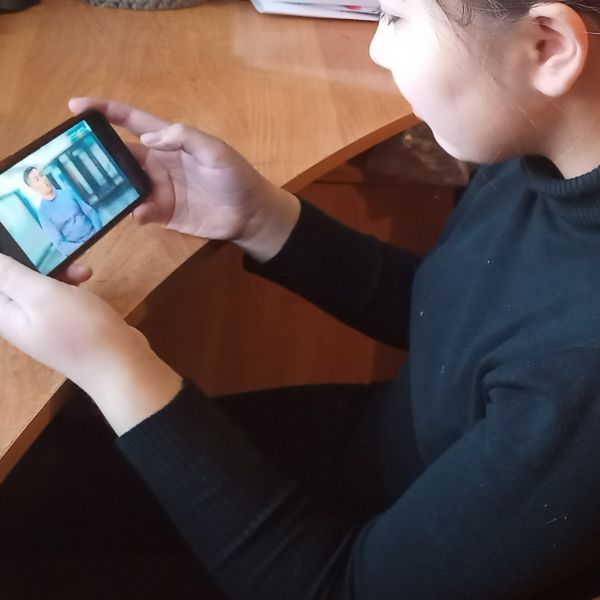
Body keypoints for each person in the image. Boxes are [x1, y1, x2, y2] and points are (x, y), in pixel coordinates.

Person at [1, 0, 600, 597]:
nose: (377, 48)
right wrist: (260, 218)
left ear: (547, 45)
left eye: (395, 16)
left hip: (340, 562)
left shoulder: (583, 378)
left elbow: (339, 588)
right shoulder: (543, 143)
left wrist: (113, 368)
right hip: (376, 456)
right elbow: (467, 319)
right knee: (44, 477)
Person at [23, 167, 102, 256]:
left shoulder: (67, 192)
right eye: (37, 179)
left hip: (96, 234)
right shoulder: (43, 213)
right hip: (81, 251)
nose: (43, 180)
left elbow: (91, 212)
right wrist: (84, 248)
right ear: (33, 188)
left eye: (41, 175)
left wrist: (98, 231)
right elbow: (59, 243)